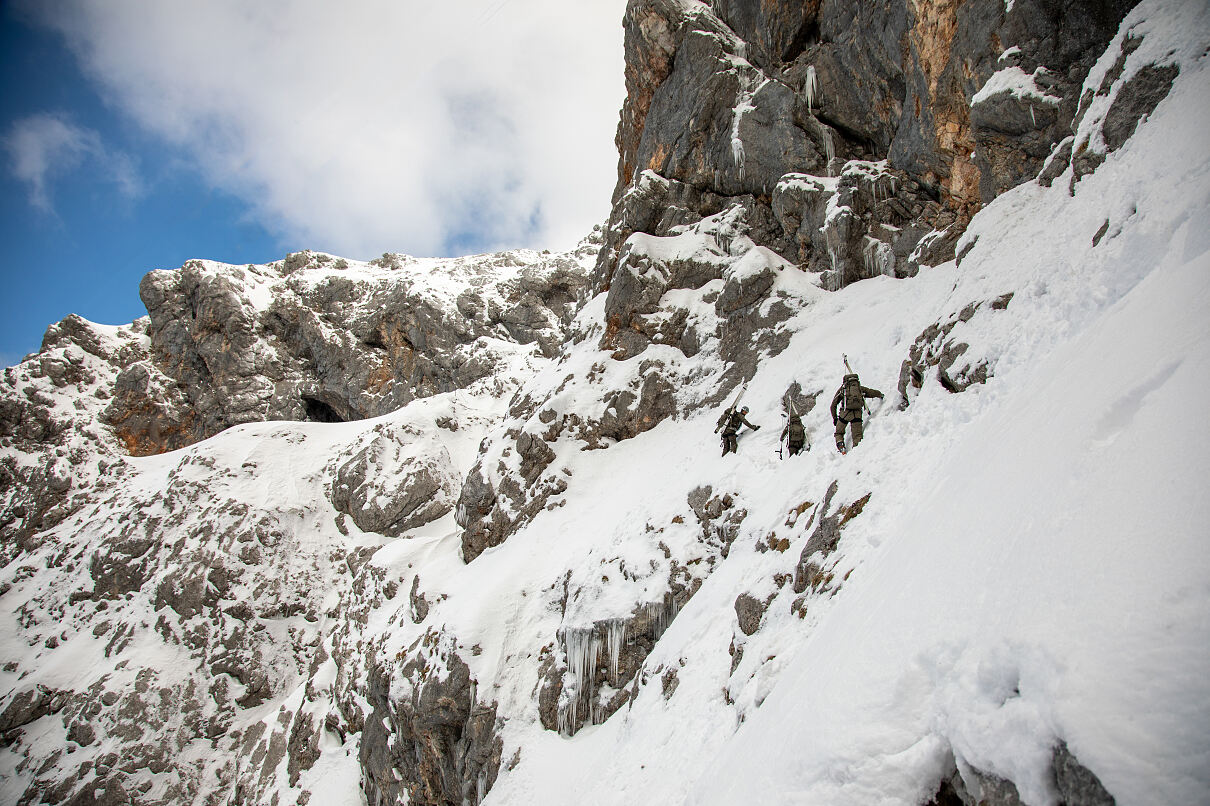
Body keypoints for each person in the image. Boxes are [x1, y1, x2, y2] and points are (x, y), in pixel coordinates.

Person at [830, 373, 883, 453]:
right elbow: (871, 392)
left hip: (845, 414)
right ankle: (856, 452)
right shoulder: (859, 388)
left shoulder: (843, 389)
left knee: (839, 433)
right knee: (857, 436)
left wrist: (835, 418)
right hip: (857, 415)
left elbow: (833, 405)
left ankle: (841, 446)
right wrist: (880, 395)